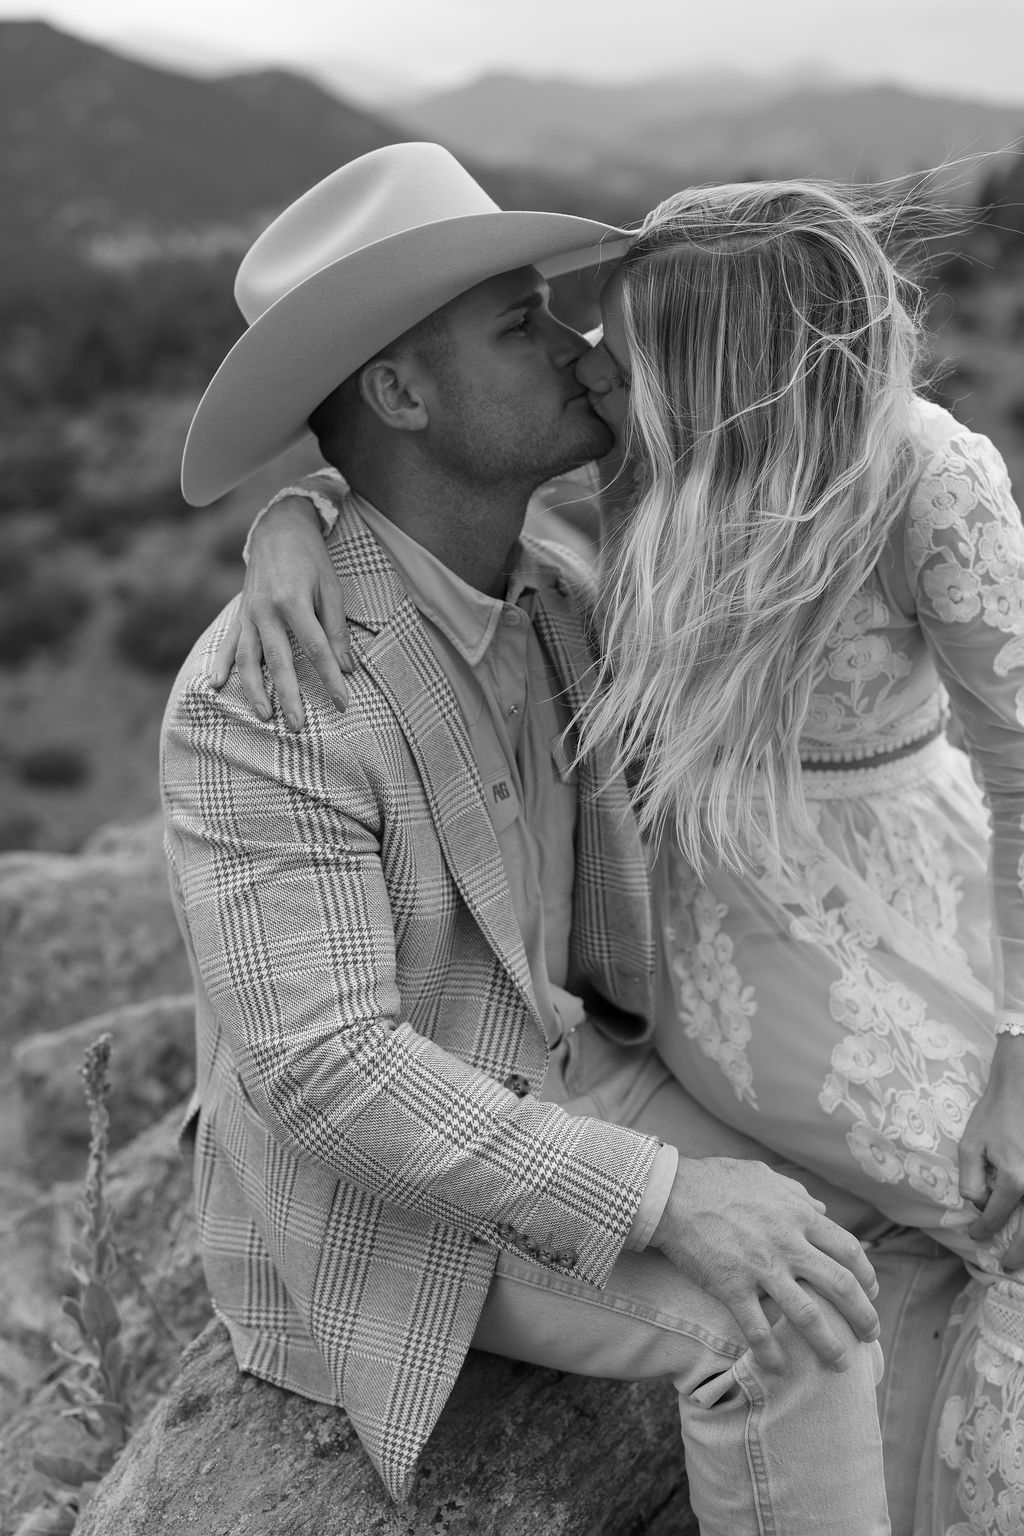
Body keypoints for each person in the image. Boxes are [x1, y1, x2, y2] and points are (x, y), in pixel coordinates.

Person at [225, 170, 1024, 1535]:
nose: (585, 360)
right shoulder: (635, 450)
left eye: (604, 336)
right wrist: (291, 518)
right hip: (715, 966)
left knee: (933, 1225)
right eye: (537, 326)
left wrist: (1019, 1048)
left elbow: (1018, 759)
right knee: (948, 1228)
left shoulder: (856, 480)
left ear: (730, 375)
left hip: (900, 886)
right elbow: (320, 1059)